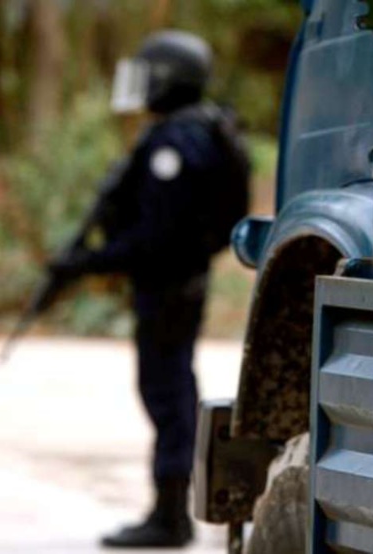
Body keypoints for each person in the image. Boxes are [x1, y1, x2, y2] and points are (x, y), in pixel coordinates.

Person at [48, 30, 250, 548]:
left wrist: (87, 262)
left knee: (167, 395)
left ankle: (170, 517)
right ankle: (170, 510)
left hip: (168, 286)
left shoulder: (174, 143)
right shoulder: (194, 131)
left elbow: (154, 239)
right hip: (180, 283)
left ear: (167, 79)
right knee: (170, 391)